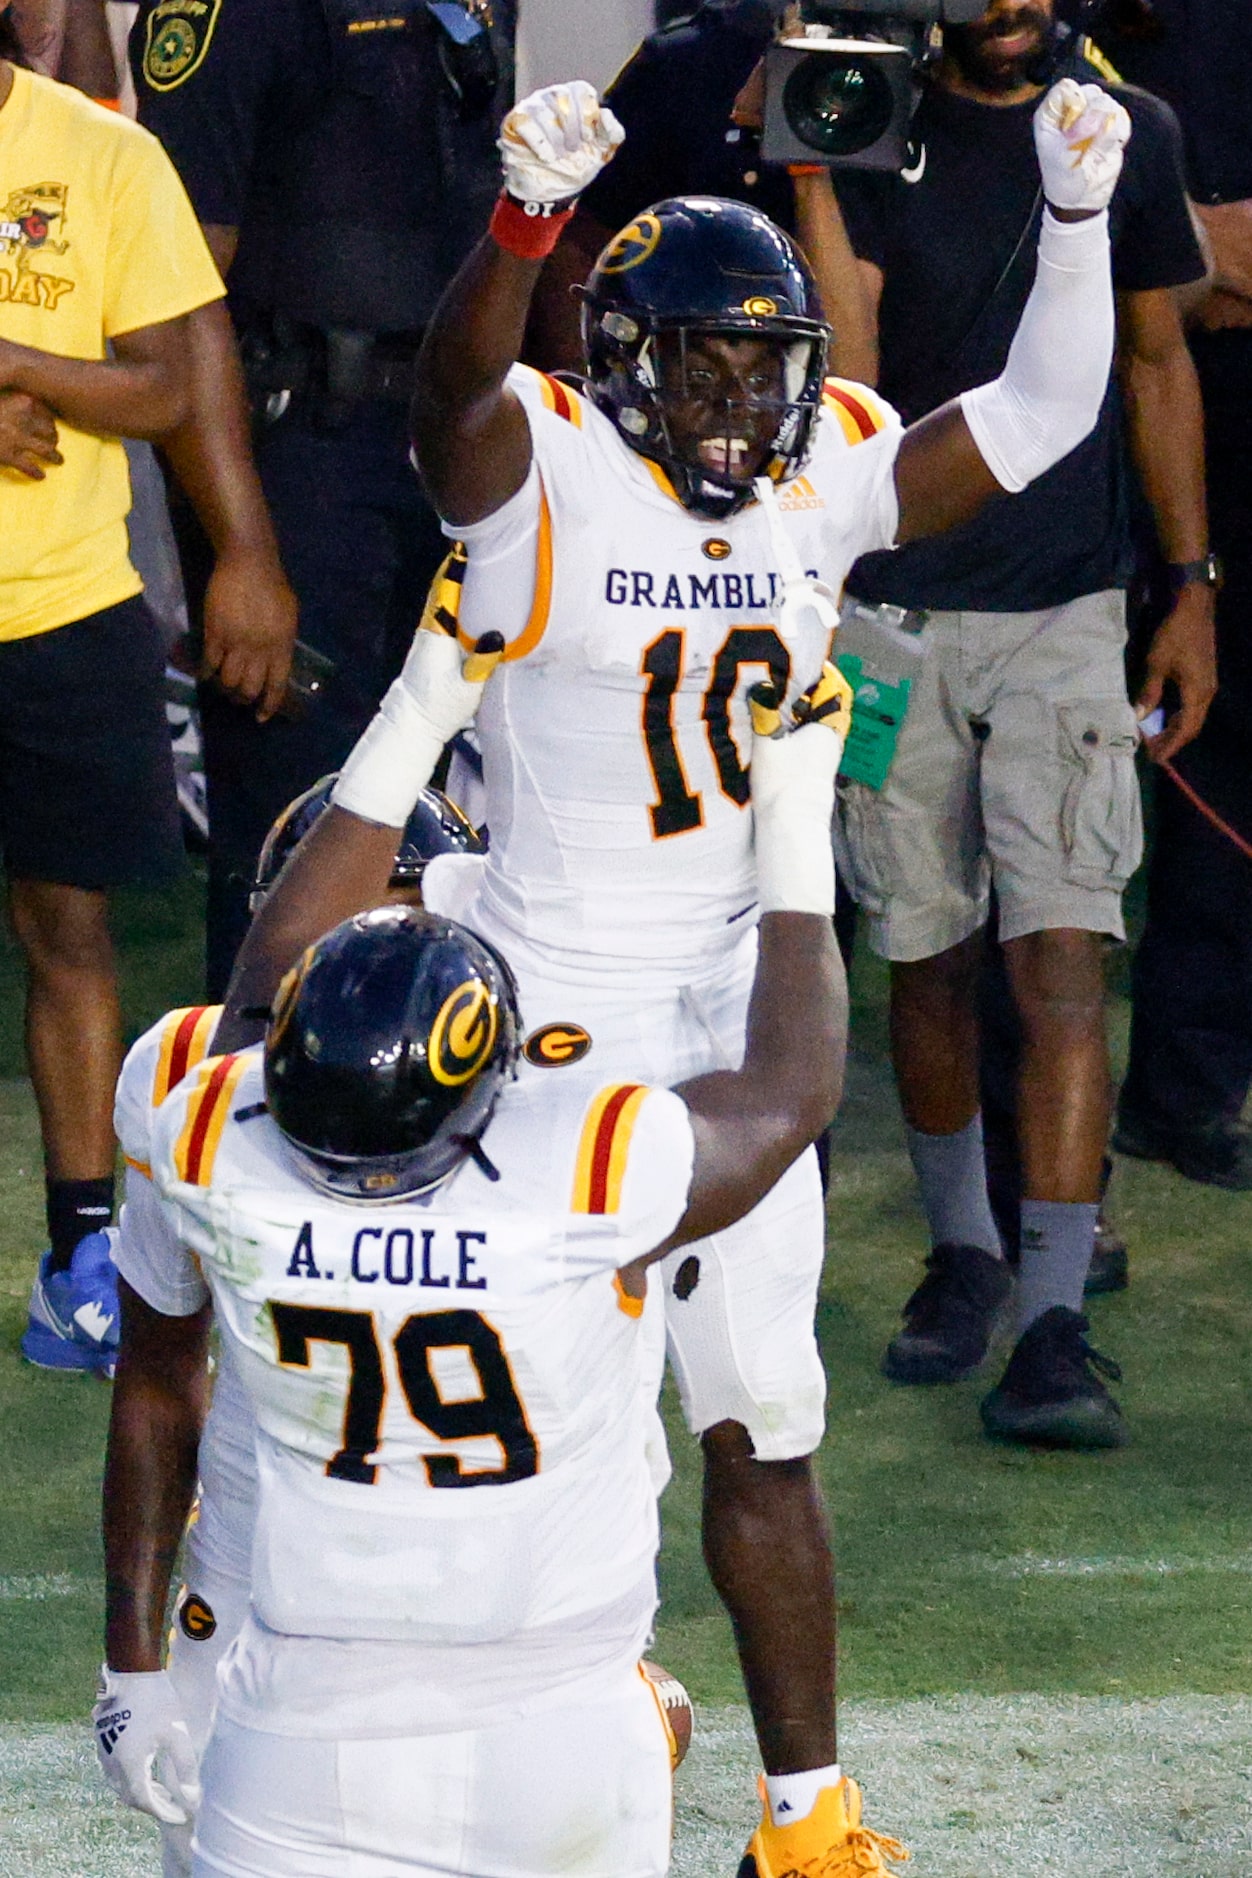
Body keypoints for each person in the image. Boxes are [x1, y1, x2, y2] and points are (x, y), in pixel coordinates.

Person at [216, 75, 1128, 1876]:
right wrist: (520, 221)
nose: (739, 400)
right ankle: (493, 1723)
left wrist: (1080, 226)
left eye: (762, 363)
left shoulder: (822, 462)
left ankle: (804, 1815)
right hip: (529, 1005)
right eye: (701, 365)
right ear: (625, 359)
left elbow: (1038, 414)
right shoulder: (545, 451)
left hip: (731, 996)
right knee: (545, 1422)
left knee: (761, 1415)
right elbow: (445, 401)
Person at [96, 639, 870, 1878]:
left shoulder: (210, 1135)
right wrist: (788, 815)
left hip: (295, 1720)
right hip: (553, 1725)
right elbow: (790, 1090)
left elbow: (251, 1001)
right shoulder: (582, 1160)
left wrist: (423, 697)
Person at [826, 0, 1212, 1446]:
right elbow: (847, 350)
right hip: (895, 614)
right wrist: (811, 163)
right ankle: (966, 1252)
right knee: (924, 958)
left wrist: (1193, 585)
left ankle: (1052, 1319)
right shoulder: (871, 127)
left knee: (1062, 958)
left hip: (1071, 609)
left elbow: (1160, 362)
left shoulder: (1131, 132)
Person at [93, 783, 487, 1878]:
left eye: (403, 917)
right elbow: (161, 1371)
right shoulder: (185, 1076)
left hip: (488, 1619)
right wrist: (132, 1662)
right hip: (253, 1613)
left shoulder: (548, 1083)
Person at [129, 0, 515, 996]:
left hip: (450, 449)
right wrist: (244, 551)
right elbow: (177, 296)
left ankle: (405, 1101)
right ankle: (253, 1116)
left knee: (438, 831)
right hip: (301, 456)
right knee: (293, 830)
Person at [0, 9, 224, 1375]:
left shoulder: (102, 154)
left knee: (66, 934)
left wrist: (20, 367)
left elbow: (165, 387)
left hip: (64, 614)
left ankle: (79, 1254)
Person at [1095, 0, 1252, 1191]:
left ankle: (1189, 1089)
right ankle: (1166, 1092)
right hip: (1141, 456)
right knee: (1200, 759)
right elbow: (1169, 285)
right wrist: (1196, 254)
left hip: (1189, 418)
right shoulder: (1127, 37)